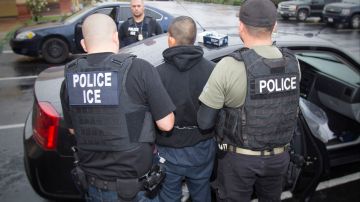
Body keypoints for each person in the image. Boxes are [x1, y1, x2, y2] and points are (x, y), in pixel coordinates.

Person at [60, 13, 175, 202]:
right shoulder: (139, 69)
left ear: (83, 44)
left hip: (94, 187)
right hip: (134, 190)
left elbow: (74, 129)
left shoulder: (70, 79)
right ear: (116, 37)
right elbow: (167, 124)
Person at [197, 0, 301, 201]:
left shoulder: (229, 66)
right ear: (275, 26)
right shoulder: (293, 63)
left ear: (240, 27)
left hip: (239, 162)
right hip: (279, 158)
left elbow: (204, 121)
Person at [155, 16, 216, 202]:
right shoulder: (213, 70)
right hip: (202, 147)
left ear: (171, 39)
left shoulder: (157, 74)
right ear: (194, 39)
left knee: (168, 196)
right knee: (201, 193)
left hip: (168, 149)